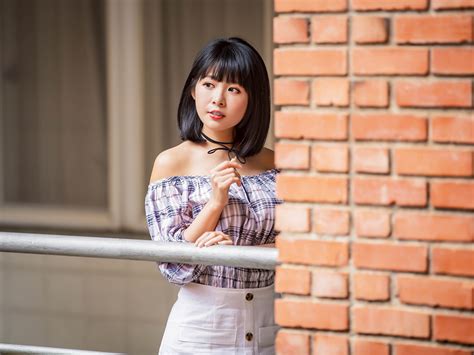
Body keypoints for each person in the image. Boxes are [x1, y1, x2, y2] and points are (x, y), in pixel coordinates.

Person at [144, 37, 282, 355]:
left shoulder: (274, 163)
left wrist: (236, 253)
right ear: (193, 90)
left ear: (253, 99)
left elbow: (302, 243)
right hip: (200, 328)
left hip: (269, 325)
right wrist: (215, 202)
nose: (217, 99)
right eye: (209, 84)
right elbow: (171, 262)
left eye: (233, 89)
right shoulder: (171, 162)